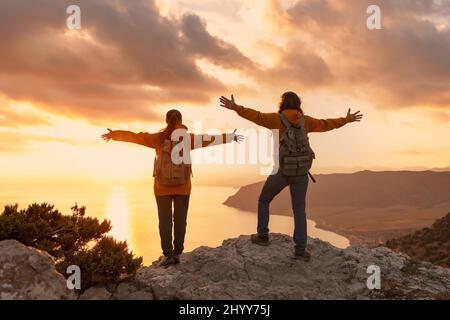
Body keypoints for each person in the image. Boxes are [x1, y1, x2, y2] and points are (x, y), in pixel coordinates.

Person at [219, 92, 363, 261]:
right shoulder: (306, 121)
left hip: (281, 171)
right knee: (299, 210)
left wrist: (235, 107)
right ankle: (300, 251)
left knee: (264, 200)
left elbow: (255, 116)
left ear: (282, 103)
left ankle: (263, 237)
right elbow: (327, 124)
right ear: (298, 104)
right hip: (301, 173)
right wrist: (347, 119)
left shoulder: (275, 119)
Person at [102, 109, 243, 266]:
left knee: (164, 221)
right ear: (181, 120)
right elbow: (209, 139)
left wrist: (114, 134)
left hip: (162, 187)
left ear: (166, 120)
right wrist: (230, 137)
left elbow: (137, 137)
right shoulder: (188, 138)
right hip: (183, 187)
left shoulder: (158, 138)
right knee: (180, 220)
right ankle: (178, 253)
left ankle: (168, 254)